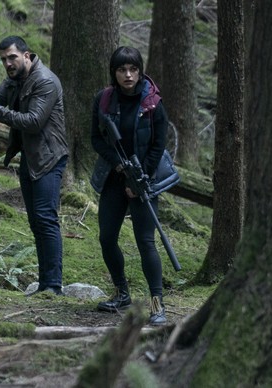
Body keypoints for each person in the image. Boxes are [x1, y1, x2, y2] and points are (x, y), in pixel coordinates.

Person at [0, 35, 68, 296]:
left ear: (27, 56)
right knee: (35, 221)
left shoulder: (45, 81)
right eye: (4, 59)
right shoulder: (15, 77)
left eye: (12, 57)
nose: (8, 63)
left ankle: (53, 285)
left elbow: (34, 121)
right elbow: (0, 95)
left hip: (50, 157)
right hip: (31, 157)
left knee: (45, 219)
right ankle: (45, 283)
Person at [90, 46, 169, 325]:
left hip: (144, 180)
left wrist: (140, 178)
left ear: (140, 70)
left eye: (133, 69)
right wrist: (117, 164)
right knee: (106, 237)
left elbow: (160, 143)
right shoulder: (105, 99)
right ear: (114, 72)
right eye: (122, 69)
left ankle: (157, 304)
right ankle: (121, 292)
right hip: (114, 177)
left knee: (146, 242)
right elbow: (96, 139)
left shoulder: (153, 102)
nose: (128, 75)